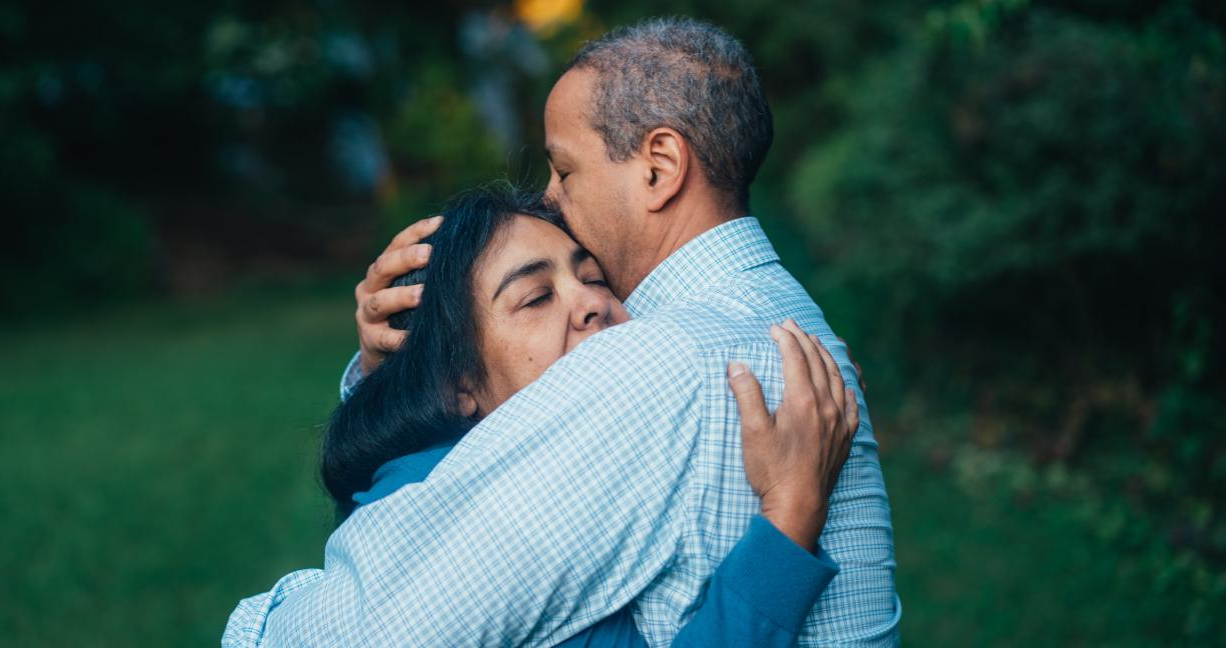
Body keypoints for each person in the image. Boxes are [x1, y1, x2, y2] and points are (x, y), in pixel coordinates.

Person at [229, 17, 899, 646]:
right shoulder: (786, 322)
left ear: (660, 167)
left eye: (566, 168)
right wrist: (393, 373)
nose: (551, 197)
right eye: (536, 295)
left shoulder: (657, 363)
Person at [312, 187, 856, 647]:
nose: (591, 302)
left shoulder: (426, 474)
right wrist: (792, 512)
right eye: (535, 298)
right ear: (458, 385)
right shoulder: (502, 536)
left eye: (593, 278)